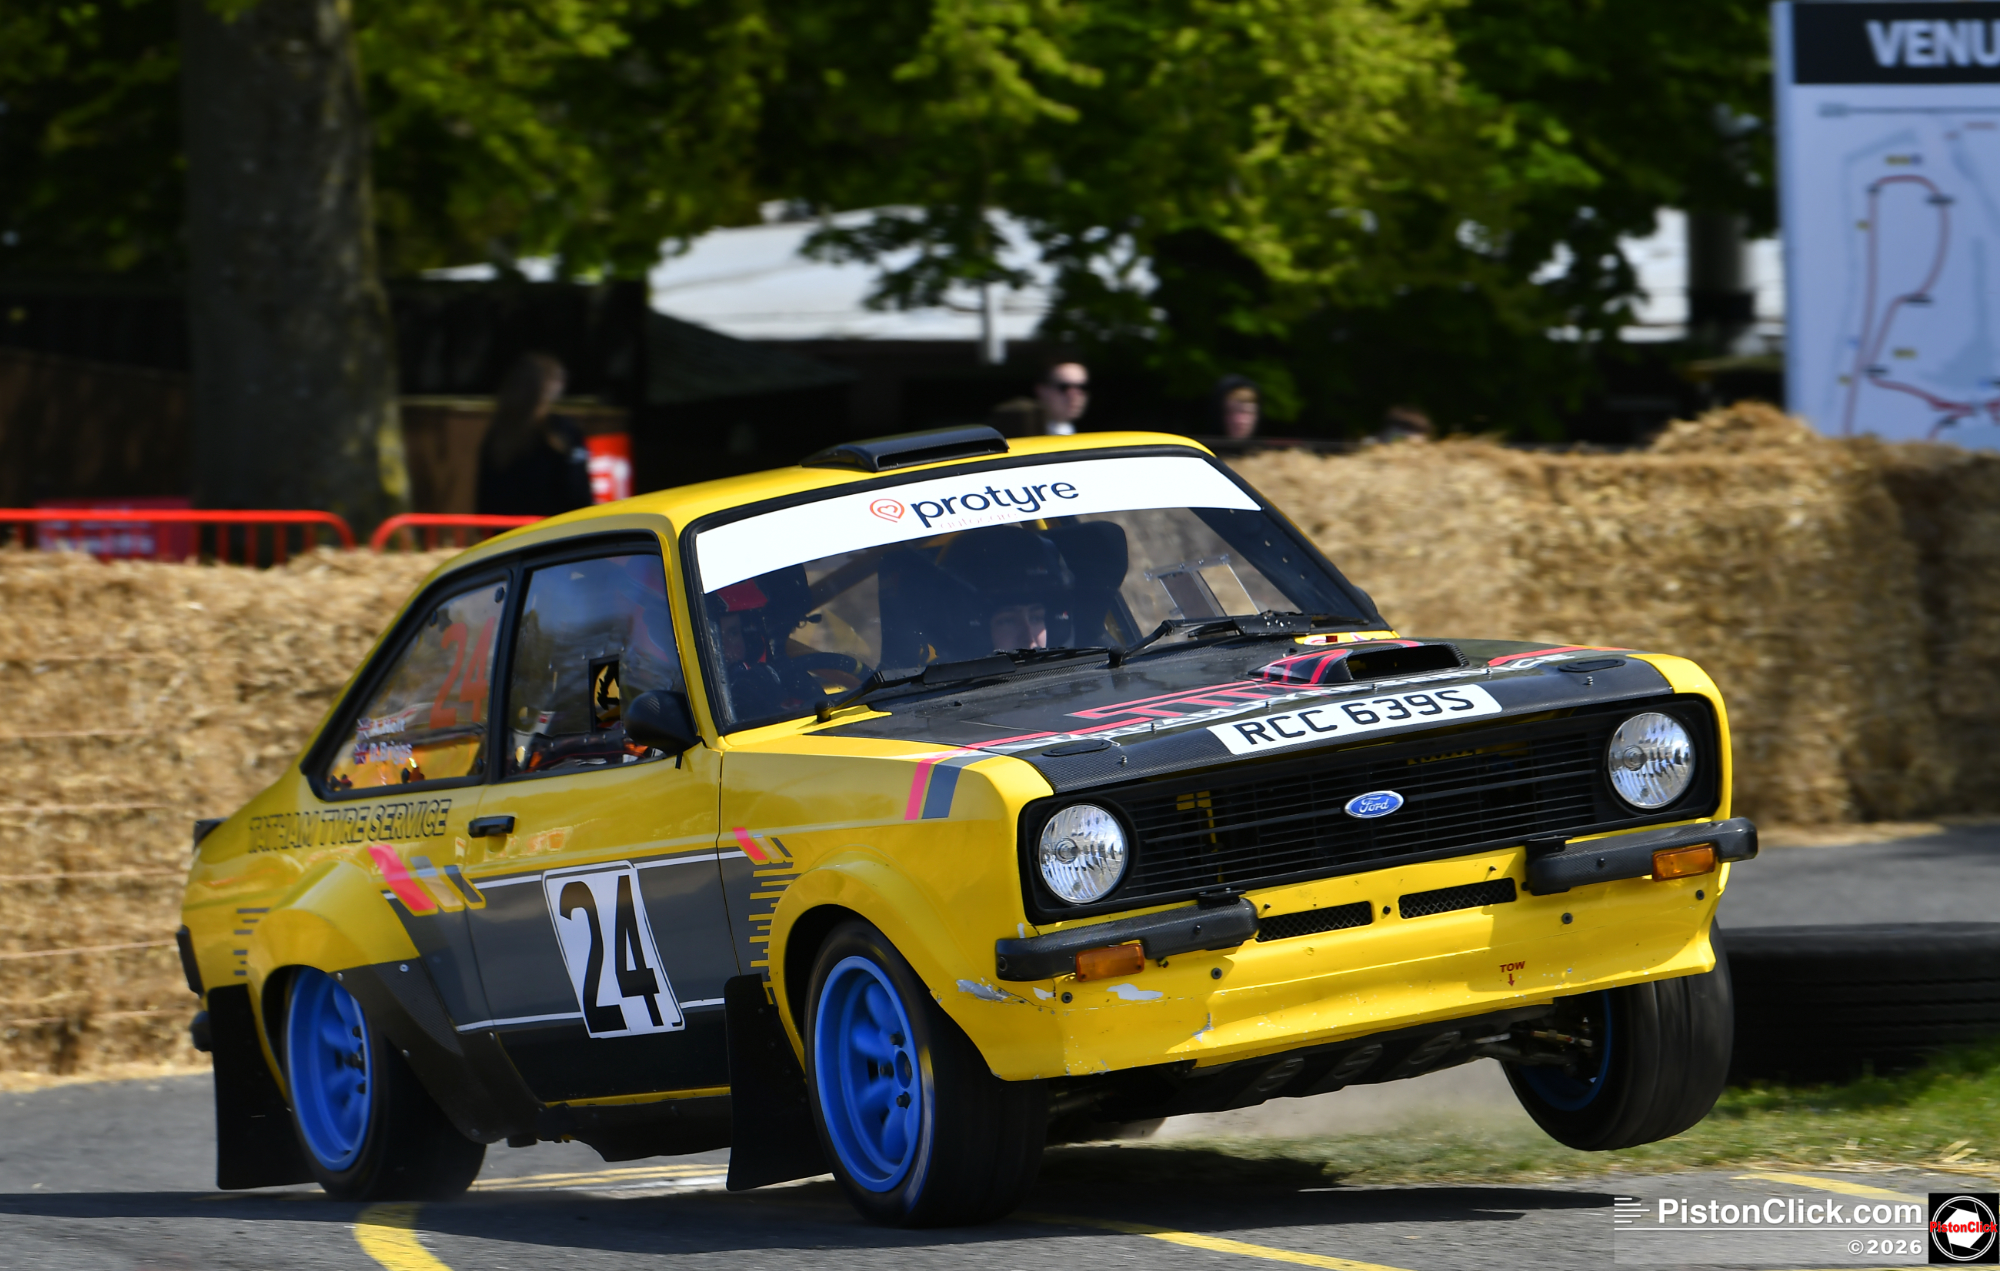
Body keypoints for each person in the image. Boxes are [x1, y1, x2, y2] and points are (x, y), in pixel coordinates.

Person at [476, 353, 592, 516]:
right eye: (557, 378)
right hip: (553, 532)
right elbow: (578, 493)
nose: (563, 384)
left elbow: (484, 499)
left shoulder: (498, 432)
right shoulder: (563, 430)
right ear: (546, 386)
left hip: (508, 535)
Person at [987, 358, 1091, 437]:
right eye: (1064, 387)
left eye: (1082, 387)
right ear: (1041, 390)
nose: (1074, 394)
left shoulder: (1092, 437)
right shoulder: (1017, 431)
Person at [1213, 374, 1260, 440]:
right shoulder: (1198, 448)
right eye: (1230, 412)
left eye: (1248, 413)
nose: (1240, 421)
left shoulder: (1271, 448)